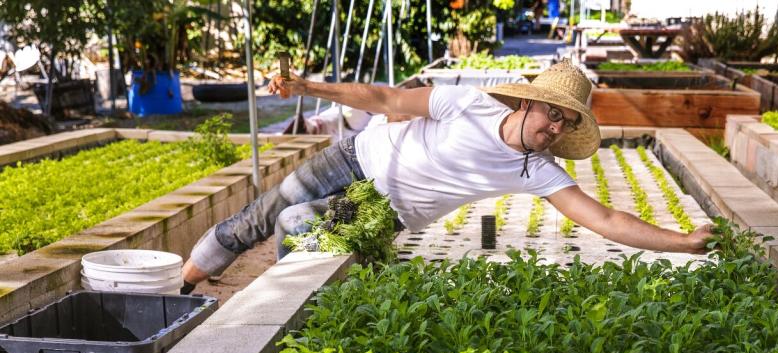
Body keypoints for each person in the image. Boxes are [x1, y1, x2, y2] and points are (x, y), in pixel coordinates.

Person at [180, 60, 713, 290]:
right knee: (260, 216)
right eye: (553, 113)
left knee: (296, 224)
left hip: (381, 210)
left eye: (567, 123)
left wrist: (683, 243)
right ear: (529, 103)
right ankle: (185, 287)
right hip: (355, 156)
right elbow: (387, 98)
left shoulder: (536, 170)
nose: (555, 127)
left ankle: (281, 316)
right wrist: (308, 88)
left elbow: (605, 218)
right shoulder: (468, 104)